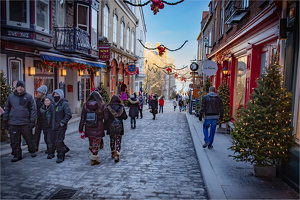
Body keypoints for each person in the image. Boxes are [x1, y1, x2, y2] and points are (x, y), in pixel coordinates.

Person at [3, 80, 37, 162]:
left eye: (22, 86)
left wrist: (32, 121)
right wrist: (5, 120)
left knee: (29, 138)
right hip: (13, 123)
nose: (20, 88)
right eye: (19, 86)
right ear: (16, 87)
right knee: (14, 140)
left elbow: (33, 109)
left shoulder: (28, 97)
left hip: (25, 122)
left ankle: (32, 150)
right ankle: (17, 155)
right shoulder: (11, 97)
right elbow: (7, 109)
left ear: (23, 87)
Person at [79, 92, 105, 166]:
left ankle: (93, 155)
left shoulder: (85, 106)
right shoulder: (101, 105)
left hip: (88, 126)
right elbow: (106, 117)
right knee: (96, 142)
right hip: (98, 126)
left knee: (91, 142)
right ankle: (94, 159)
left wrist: (80, 128)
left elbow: (82, 118)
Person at [103, 95, 128, 162]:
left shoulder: (108, 107)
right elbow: (125, 117)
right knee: (118, 140)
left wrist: (105, 126)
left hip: (111, 126)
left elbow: (106, 118)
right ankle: (117, 153)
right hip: (119, 126)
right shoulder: (121, 107)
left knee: (112, 140)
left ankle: (113, 152)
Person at [51, 89, 72, 163]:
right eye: (54, 94)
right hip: (53, 125)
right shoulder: (52, 104)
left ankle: (60, 155)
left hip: (61, 126)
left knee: (59, 141)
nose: (55, 96)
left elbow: (68, 114)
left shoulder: (64, 104)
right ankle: (64, 148)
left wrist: (63, 122)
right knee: (54, 141)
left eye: (57, 94)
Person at [34, 85, 48, 152]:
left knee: (46, 135)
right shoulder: (37, 100)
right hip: (39, 120)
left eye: (39, 92)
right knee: (36, 134)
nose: (38, 93)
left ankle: (49, 147)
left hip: (45, 120)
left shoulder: (47, 100)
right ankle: (35, 147)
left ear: (43, 93)